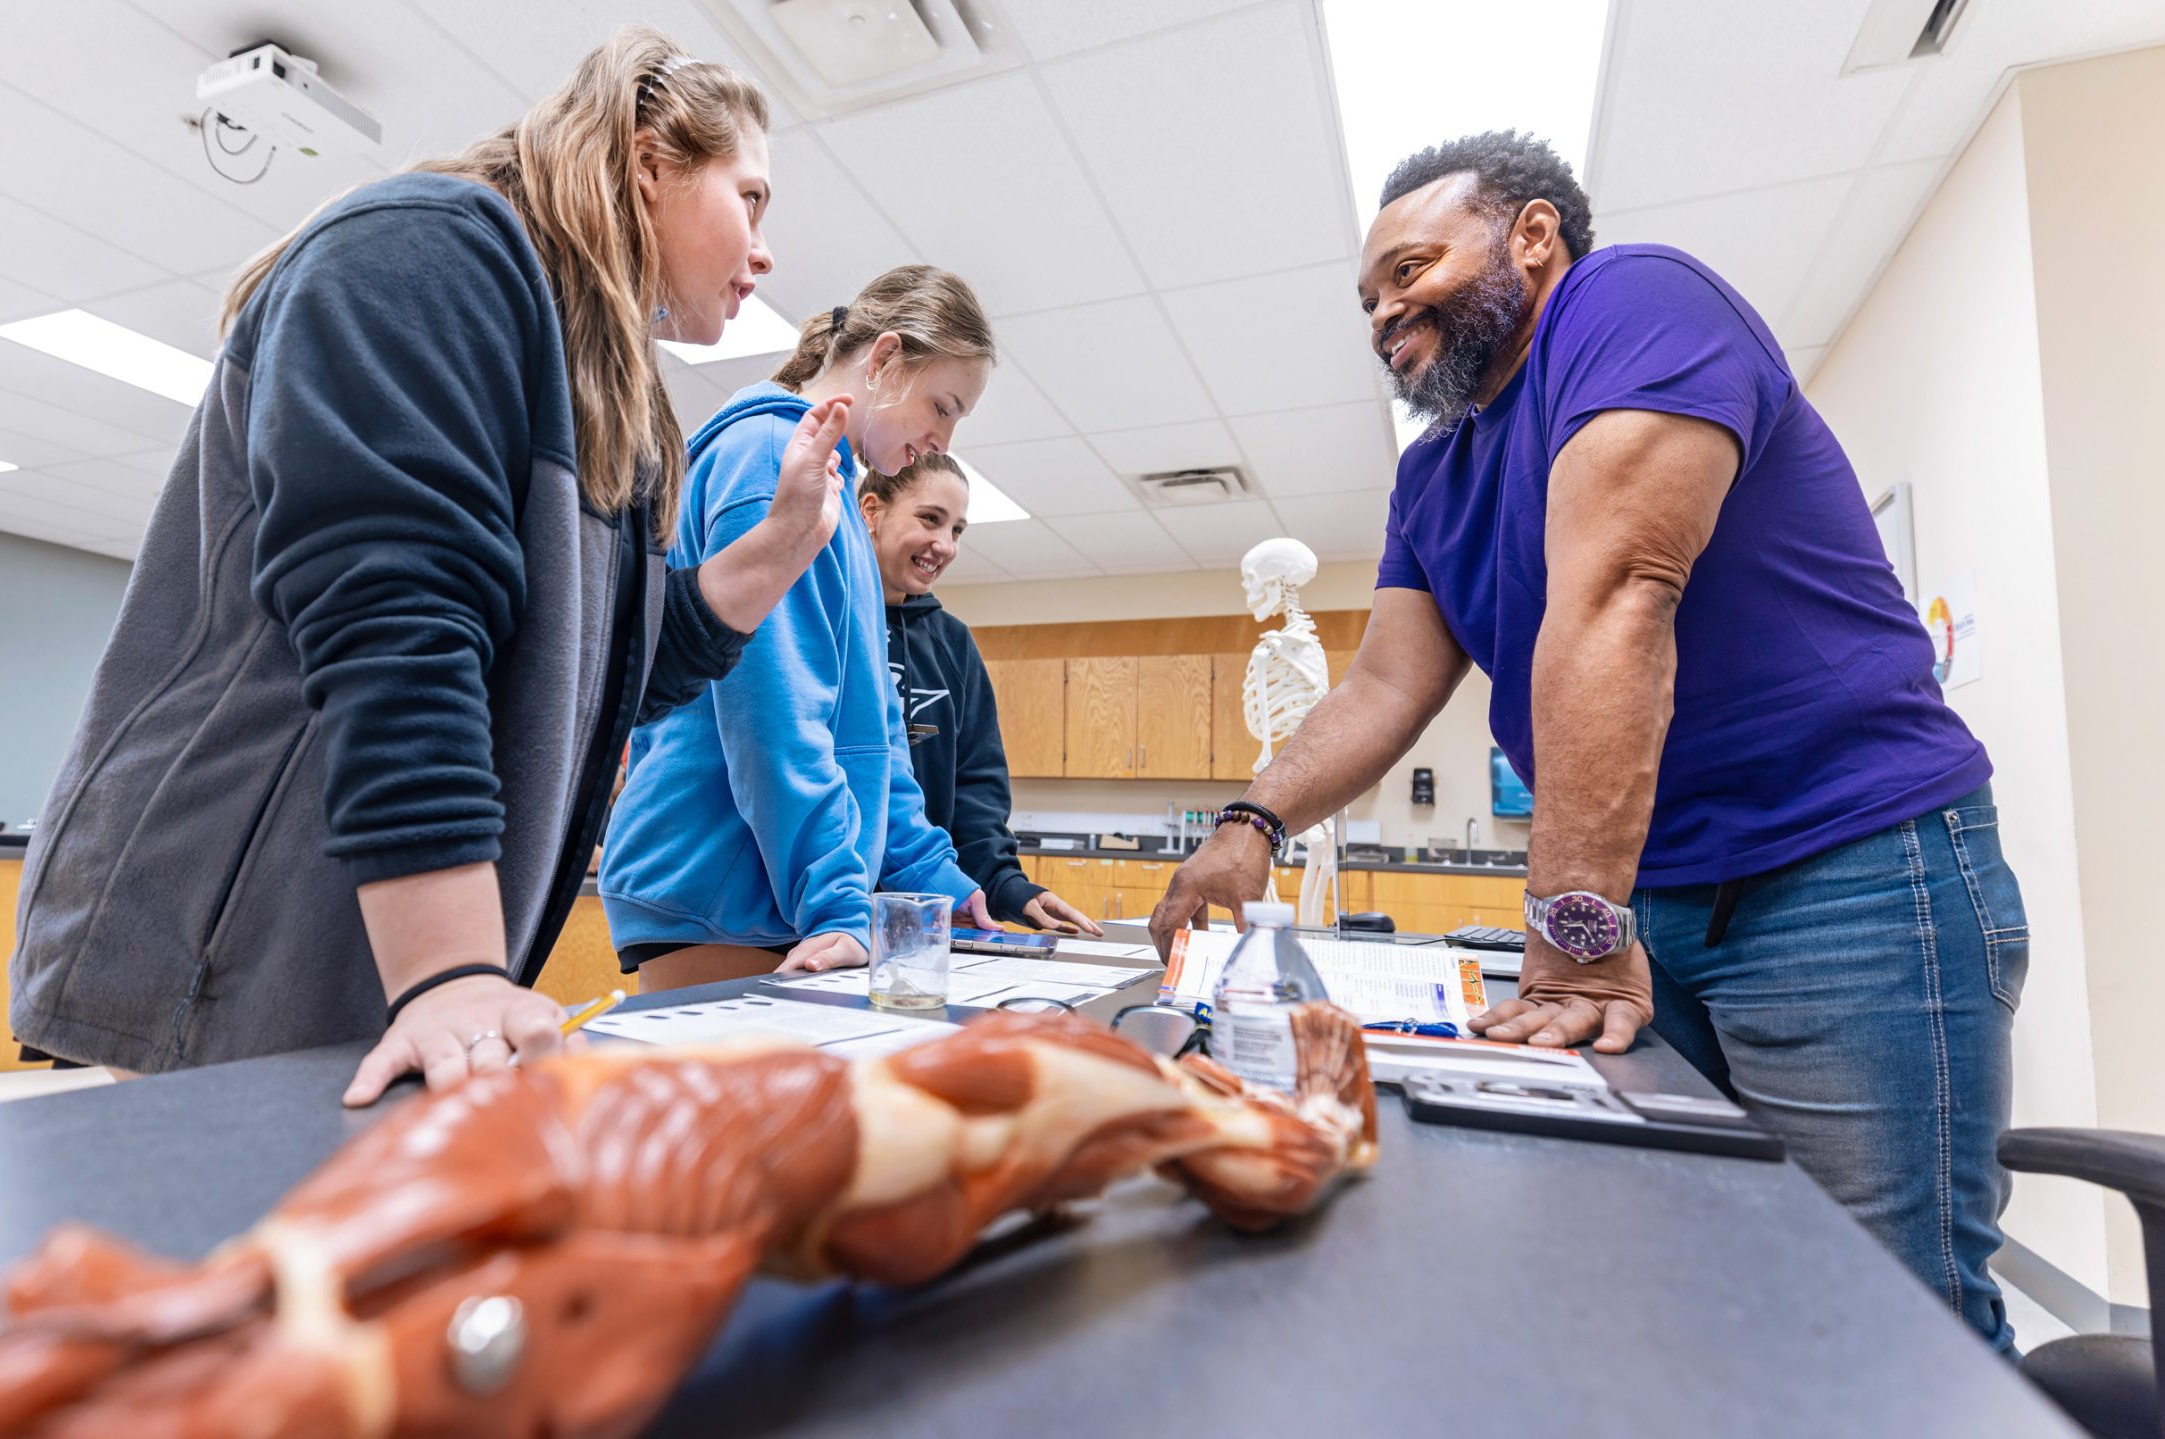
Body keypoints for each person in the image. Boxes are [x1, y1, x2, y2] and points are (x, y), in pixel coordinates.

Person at [1150, 130, 2027, 1352]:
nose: (1383, 311)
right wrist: (1249, 823)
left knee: (1887, 1311)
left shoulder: (1629, 303)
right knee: (1694, 1268)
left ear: (1531, 236)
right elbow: (1384, 684)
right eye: (1366, 299)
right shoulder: (1431, 476)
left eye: (1409, 269)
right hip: (1649, 898)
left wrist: (1572, 928)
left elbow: (1619, 594)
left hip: (1846, 873)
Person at [10, 28, 850, 1106]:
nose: (764, 252)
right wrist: (450, 970)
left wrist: (780, 546)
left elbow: (604, 680)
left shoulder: (607, 389)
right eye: (751, 198)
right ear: (649, 163)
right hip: (223, 924)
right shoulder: (427, 252)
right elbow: (393, 613)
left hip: (361, 932)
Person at [601, 266, 1000, 989]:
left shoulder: (836, 494)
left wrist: (930, 873)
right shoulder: (771, 459)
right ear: (884, 358)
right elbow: (774, 719)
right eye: (941, 406)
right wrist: (836, 903)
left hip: (772, 894)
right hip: (718, 889)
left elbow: (874, 733)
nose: (940, 440)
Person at [861, 453, 1101, 936]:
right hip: (813, 911)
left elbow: (976, 789)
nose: (945, 545)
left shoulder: (951, 643)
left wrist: (1008, 885)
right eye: (930, 519)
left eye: (957, 530)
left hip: (925, 910)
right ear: (871, 511)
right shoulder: (824, 619)